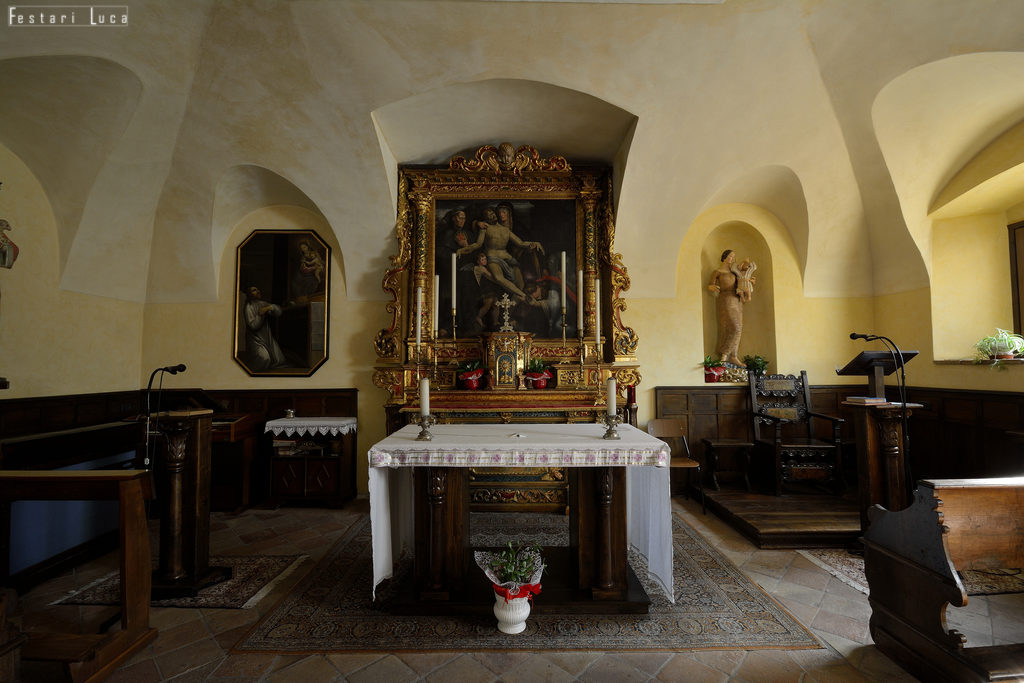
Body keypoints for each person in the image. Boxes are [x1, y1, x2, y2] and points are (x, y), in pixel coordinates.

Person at [456, 204, 544, 300]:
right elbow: (477, 244)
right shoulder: (485, 228)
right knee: (498, 278)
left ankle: (515, 304)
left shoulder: (505, 230)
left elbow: (520, 243)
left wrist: (534, 243)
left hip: (508, 258)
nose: (491, 215)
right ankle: (523, 295)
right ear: (485, 218)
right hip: (492, 258)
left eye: (492, 213)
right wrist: (462, 250)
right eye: (488, 215)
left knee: (520, 283)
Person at [706, 249, 754, 366]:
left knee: (739, 328)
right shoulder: (718, 272)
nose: (732, 259)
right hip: (725, 299)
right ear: (725, 257)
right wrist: (712, 287)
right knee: (735, 327)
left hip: (737, 300)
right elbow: (710, 285)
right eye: (730, 256)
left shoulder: (735, 272)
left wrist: (749, 281)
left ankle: (734, 356)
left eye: (734, 257)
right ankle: (724, 355)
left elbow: (743, 282)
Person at [244, 285, 287, 370]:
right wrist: (260, 315)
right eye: (254, 290)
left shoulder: (262, 303)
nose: (258, 291)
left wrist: (269, 307)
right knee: (265, 359)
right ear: (249, 294)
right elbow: (253, 326)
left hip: (267, 338)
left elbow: (279, 312)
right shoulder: (248, 307)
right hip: (255, 340)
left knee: (280, 360)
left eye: (257, 289)